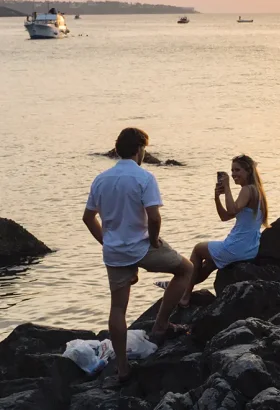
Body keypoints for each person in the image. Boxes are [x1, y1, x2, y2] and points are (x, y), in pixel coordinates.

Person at [82, 128, 193, 382]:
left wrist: (105, 241)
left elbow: (88, 218)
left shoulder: (101, 179)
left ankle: (122, 368)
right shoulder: (144, 177)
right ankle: (162, 324)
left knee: (118, 308)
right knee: (186, 269)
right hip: (143, 248)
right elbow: (154, 217)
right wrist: (154, 240)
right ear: (140, 149)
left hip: (115, 253)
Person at [179, 154, 269, 306]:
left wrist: (226, 187)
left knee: (198, 249)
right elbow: (225, 216)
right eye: (232, 171)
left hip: (236, 247)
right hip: (249, 249)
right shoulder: (257, 191)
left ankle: (185, 296)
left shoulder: (247, 190)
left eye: (237, 170)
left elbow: (232, 209)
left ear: (248, 171)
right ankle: (180, 287)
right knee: (209, 264)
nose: (233, 174)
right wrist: (217, 197)